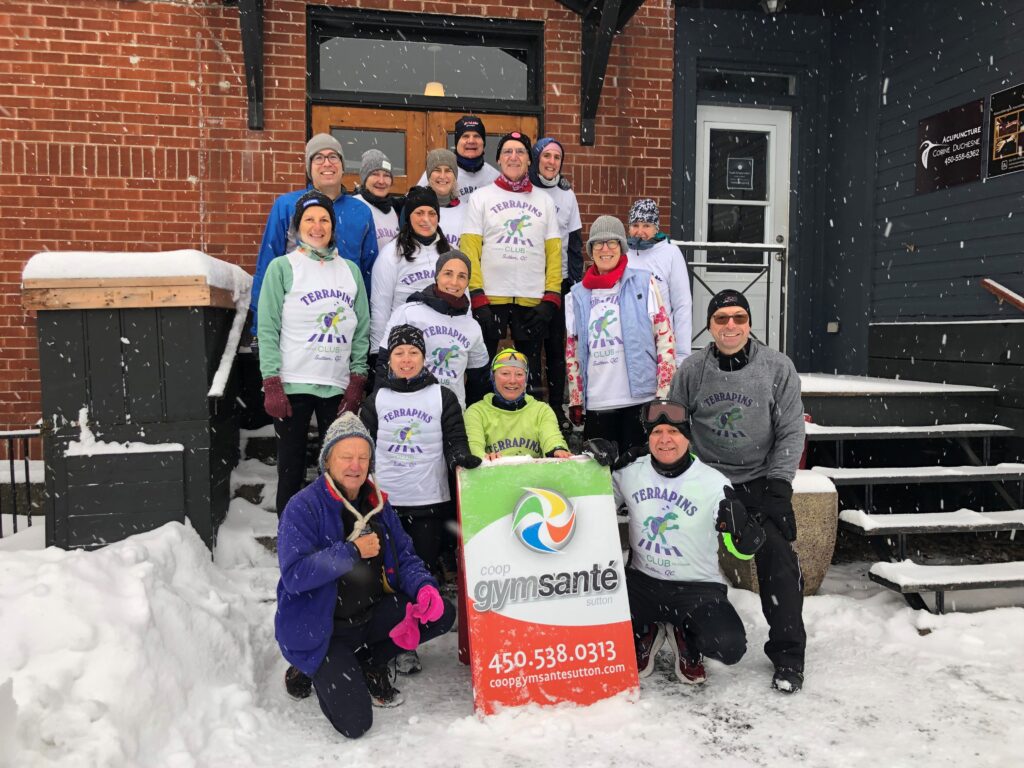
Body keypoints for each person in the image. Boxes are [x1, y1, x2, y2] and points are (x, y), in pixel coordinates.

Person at [275, 412, 456, 738]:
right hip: (323, 630)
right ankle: (309, 666)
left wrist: (424, 587)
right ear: (327, 460)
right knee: (356, 724)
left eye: (363, 457)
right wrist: (352, 551)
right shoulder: (303, 507)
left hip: (369, 615)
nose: (355, 465)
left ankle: (369, 661)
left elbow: (405, 555)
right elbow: (295, 576)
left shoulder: (377, 504)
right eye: (346, 456)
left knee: (441, 613)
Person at [669, 289, 807, 693]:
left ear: (749, 323)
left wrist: (779, 487)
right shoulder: (692, 370)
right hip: (705, 479)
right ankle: (684, 635)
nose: (731, 325)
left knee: (778, 560)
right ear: (710, 326)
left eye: (739, 318)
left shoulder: (777, 367)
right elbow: (675, 425)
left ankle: (788, 656)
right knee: (678, 551)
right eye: (721, 318)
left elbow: (790, 430)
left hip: (759, 480)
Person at [595, 399, 761, 686]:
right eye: (657, 432)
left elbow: (740, 549)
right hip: (641, 583)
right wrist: (593, 467)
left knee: (729, 646)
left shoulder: (713, 483)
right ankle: (647, 630)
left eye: (674, 432)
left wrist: (744, 533)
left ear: (688, 438)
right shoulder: (630, 471)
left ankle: (686, 633)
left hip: (696, 588)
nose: (665, 439)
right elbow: (595, 506)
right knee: (593, 624)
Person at [359, 324, 479, 674]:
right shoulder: (376, 400)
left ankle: (408, 643)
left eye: (413, 352)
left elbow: (455, 440)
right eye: (399, 353)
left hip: (428, 502)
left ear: (424, 358)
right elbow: (362, 448)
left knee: (420, 573)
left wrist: (460, 458)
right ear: (389, 360)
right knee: (386, 575)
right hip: (386, 505)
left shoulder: (443, 396)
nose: (406, 359)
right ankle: (386, 641)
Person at [257, 190, 369, 515]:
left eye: (324, 220)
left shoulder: (350, 271)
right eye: (309, 219)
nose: (317, 227)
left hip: (337, 386)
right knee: (290, 471)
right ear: (297, 226)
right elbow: (267, 328)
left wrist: (357, 379)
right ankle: (290, 536)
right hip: (293, 384)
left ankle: (334, 535)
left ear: (333, 226)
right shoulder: (282, 267)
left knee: (337, 473)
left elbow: (362, 329)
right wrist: (271, 381)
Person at [459, 132, 562, 394]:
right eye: (507, 151)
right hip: (491, 300)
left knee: (531, 377)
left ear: (529, 160)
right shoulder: (481, 197)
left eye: (520, 152)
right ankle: (478, 417)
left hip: (532, 300)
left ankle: (531, 418)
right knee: (481, 373)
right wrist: (477, 295)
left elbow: (554, 253)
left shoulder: (545, 201)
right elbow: (470, 249)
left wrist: (551, 298)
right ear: (498, 159)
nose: (513, 157)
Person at [565, 215, 675, 453]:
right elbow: (572, 352)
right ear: (591, 250)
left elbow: (664, 338)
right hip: (598, 401)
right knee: (601, 472)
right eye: (598, 243)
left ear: (622, 247)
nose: (605, 249)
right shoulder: (576, 295)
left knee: (638, 468)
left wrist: (663, 392)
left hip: (640, 399)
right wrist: (576, 398)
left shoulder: (644, 283)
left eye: (612, 242)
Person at [251, 134, 377, 338]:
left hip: (342, 322)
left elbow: (369, 272)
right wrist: (260, 328)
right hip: (296, 322)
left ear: (342, 165)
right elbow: (267, 266)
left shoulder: (361, 211)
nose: (327, 163)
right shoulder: (287, 206)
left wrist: (365, 327)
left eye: (333, 157)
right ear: (309, 169)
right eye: (318, 157)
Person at [378, 250, 489, 410]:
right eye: (448, 274)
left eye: (462, 276)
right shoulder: (409, 313)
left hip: (451, 413)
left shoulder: (472, 327)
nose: (454, 282)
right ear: (437, 276)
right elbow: (384, 364)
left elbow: (478, 380)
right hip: (410, 410)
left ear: (467, 282)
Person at [529, 137, 583, 420]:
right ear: (536, 158)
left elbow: (574, 242)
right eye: (546, 156)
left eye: (556, 157)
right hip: (528, 282)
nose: (551, 162)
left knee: (556, 349)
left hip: (558, 281)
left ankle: (555, 411)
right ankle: (533, 407)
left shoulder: (567, 194)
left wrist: (574, 283)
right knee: (530, 348)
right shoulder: (524, 189)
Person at [369, 186, 451, 353]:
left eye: (432, 213)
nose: (426, 219)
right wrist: (377, 351)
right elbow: (380, 306)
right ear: (408, 216)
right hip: (404, 347)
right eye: (419, 213)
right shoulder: (392, 253)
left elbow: (464, 299)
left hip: (442, 343)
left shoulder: (449, 252)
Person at [463, 348, 571, 461]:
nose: (512, 381)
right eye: (505, 373)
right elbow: (474, 447)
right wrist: (483, 457)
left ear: (526, 379)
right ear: (493, 377)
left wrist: (557, 450)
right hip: (494, 471)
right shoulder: (476, 412)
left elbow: (552, 438)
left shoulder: (542, 410)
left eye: (519, 374)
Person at [626, 198, 692, 364]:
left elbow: (682, 305)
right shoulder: (622, 253)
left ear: (656, 228)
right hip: (628, 344)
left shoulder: (670, 253)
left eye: (646, 225)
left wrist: (682, 354)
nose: (640, 231)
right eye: (635, 225)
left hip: (662, 344)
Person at [416, 115, 499, 201]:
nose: (471, 141)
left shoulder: (495, 177)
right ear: (457, 143)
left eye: (476, 136)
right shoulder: (438, 174)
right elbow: (413, 203)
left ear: (483, 143)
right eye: (465, 136)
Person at [353, 149, 399, 251]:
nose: (381, 181)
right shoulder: (354, 206)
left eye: (386, 175)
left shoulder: (391, 209)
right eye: (375, 174)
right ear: (365, 179)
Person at [425, 148, 466, 246]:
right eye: (437, 170)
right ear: (429, 175)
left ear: (455, 176)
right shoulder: (417, 210)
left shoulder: (468, 211)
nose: (442, 176)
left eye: (448, 171)